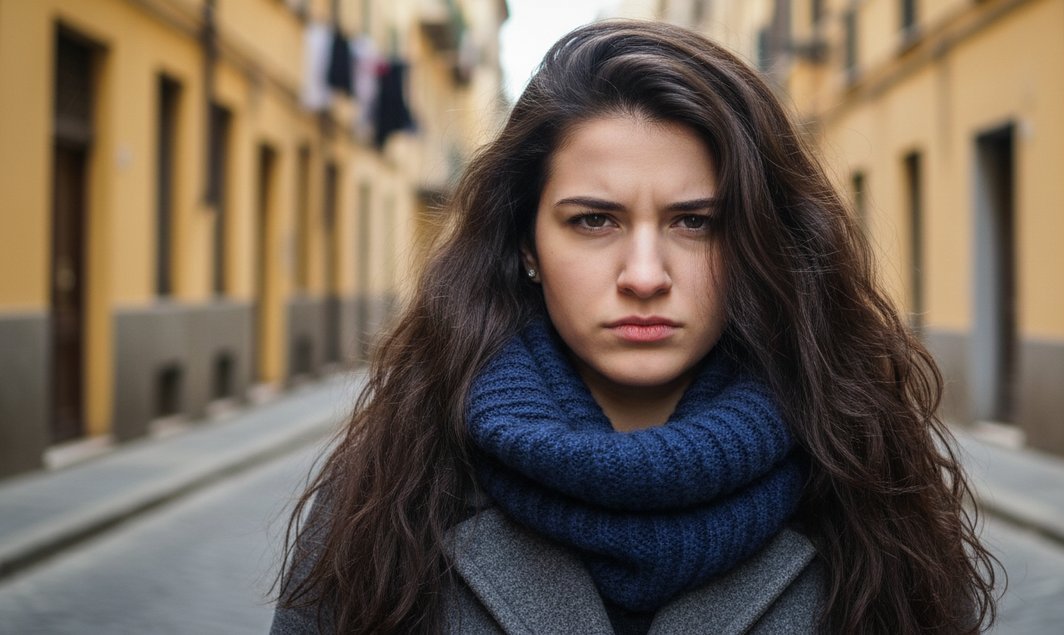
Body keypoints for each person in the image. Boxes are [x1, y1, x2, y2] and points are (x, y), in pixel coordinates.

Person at [270, 19, 1000, 635]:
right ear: (526, 244)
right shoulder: (389, 491)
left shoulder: (869, 486)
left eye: (695, 222)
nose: (645, 274)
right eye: (593, 220)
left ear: (758, 243)